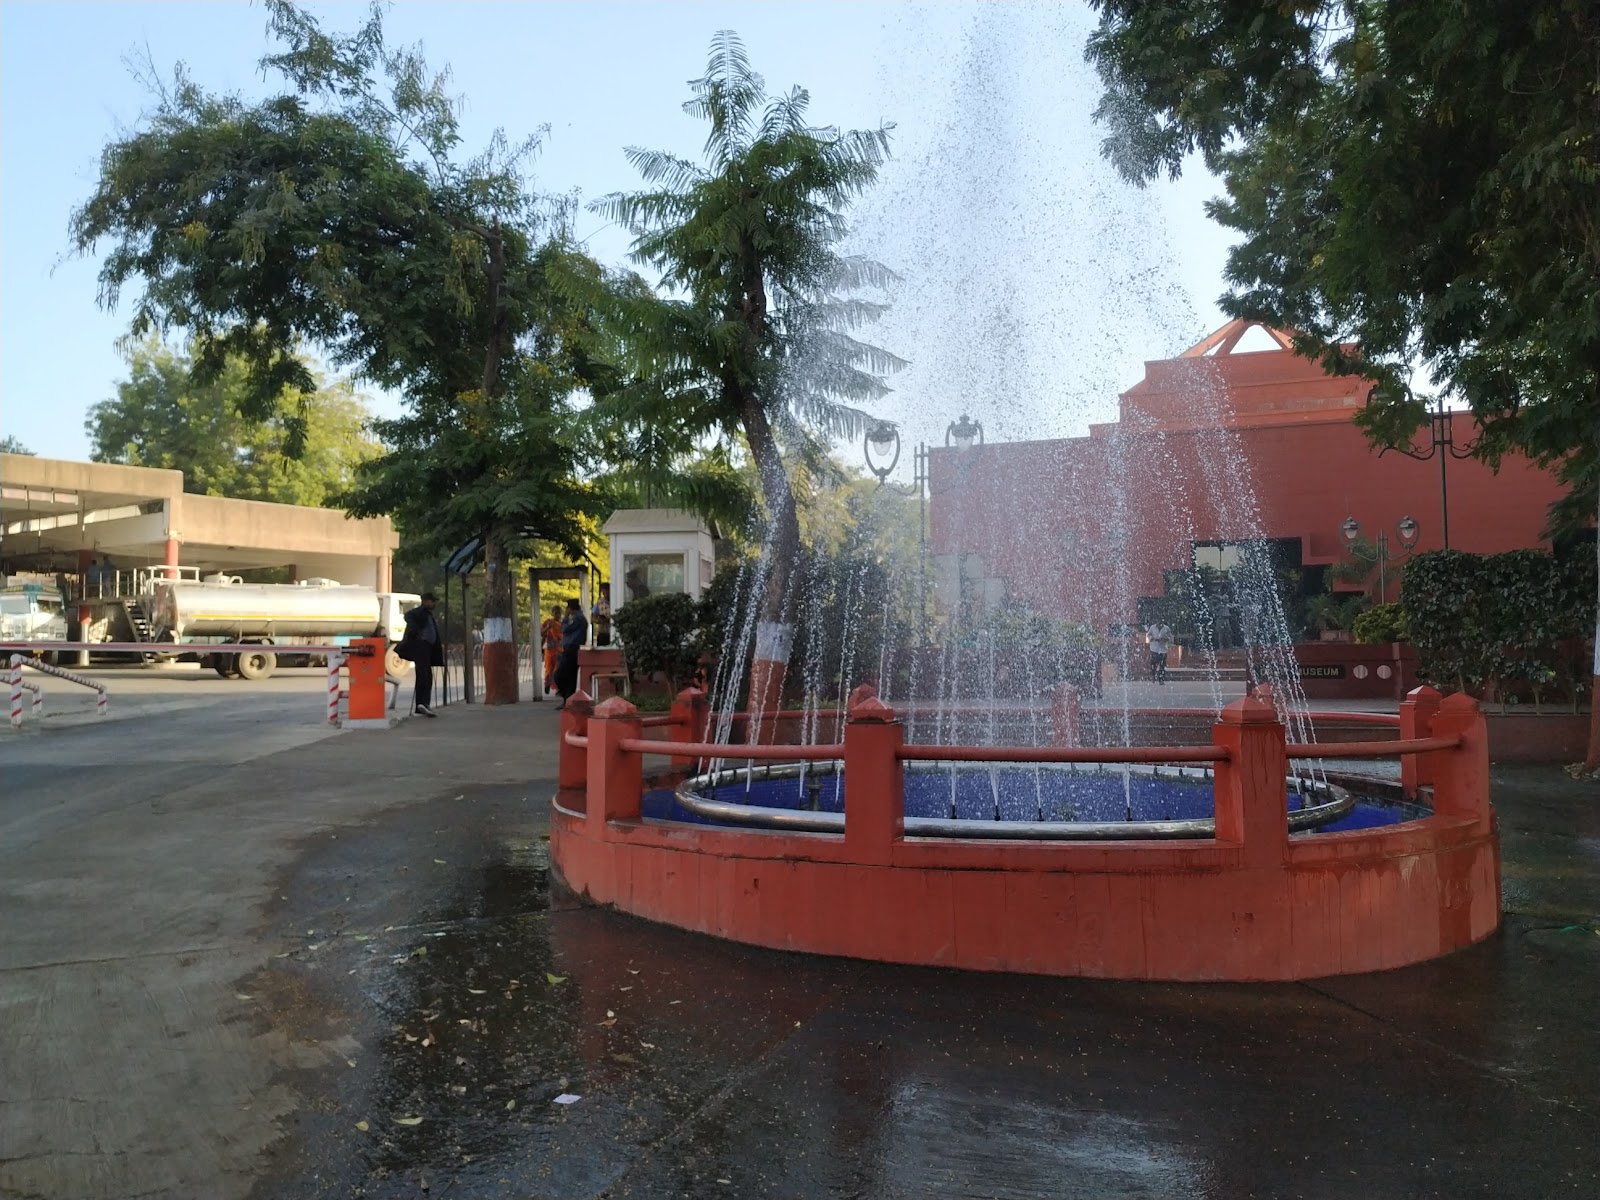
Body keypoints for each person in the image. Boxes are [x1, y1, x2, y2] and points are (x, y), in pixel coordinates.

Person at [397, 593, 444, 716]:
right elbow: (408, 616)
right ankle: (421, 703)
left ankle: (424, 704)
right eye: (432, 601)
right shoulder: (420, 612)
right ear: (425, 601)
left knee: (427, 675)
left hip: (427, 648)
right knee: (423, 675)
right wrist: (416, 632)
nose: (434, 604)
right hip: (421, 647)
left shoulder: (428, 614)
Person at [554, 597, 588, 706]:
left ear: (571, 608)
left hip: (572, 649)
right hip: (572, 649)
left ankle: (565, 694)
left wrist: (565, 617)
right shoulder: (579, 618)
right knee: (571, 677)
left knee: (559, 675)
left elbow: (564, 629)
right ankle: (568, 701)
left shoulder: (577, 619)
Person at [540, 604, 564, 694]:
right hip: (549, 649)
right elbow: (541, 633)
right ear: (552, 613)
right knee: (549, 668)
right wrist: (547, 628)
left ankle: (558, 688)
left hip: (560, 650)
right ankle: (547, 684)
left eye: (559, 613)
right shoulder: (549, 622)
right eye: (555, 613)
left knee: (558, 669)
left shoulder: (562, 624)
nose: (557, 615)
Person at [1146, 620, 1174, 685]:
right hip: (1154, 648)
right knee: (1153, 664)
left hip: (1163, 649)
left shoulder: (1166, 628)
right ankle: (1153, 676)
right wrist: (1152, 638)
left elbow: (1170, 637)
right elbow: (1148, 635)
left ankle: (1161, 679)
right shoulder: (1152, 627)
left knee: (1162, 665)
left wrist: (1166, 639)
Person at [591, 583, 612, 647]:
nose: (604, 594)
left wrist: (608, 620)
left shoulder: (616, 600)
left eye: (606, 591)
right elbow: (593, 615)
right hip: (602, 633)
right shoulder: (599, 602)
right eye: (603, 592)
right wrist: (598, 620)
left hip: (612, 632)